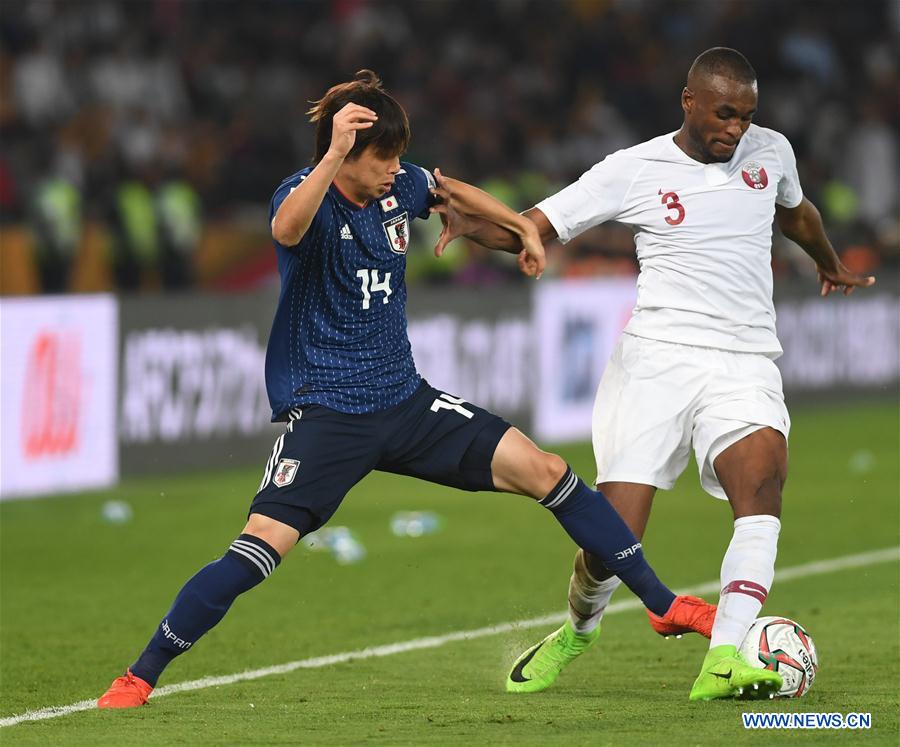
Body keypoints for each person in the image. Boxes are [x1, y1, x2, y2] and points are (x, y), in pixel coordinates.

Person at [97, 70, 716, 709]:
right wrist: (332, 153)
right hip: (330, 418)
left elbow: (450, 190)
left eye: (398, 155)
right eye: (383, 157)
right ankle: (139, 675)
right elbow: (285, 230)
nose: (398, 169)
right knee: (256, 553)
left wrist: (522, 229)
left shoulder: (397, 191)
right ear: (345, 155)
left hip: (408, 403)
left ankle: (663, 605)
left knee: (548, 470)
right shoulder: (304, 197)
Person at [431, 48, 876, 701]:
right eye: (724, 113)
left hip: (745, 358)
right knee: (614, 537)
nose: (736, 130)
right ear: (689, 101)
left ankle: (724, 655)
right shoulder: (632, 170)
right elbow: (535, 228)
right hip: (656, 361)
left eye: (747, 116)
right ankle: (580, 629)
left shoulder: (770, 151)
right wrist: (477, 228)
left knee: (763, 482)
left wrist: (828, 261)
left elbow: (796, 211)